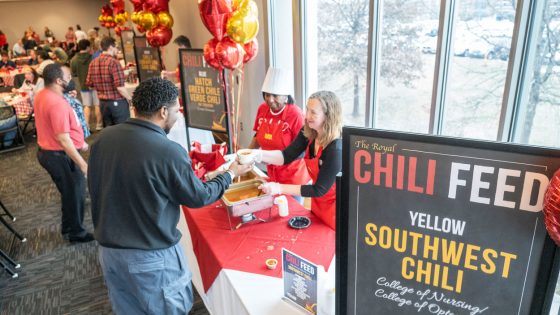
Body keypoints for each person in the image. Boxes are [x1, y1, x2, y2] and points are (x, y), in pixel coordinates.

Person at [88, 77, 252, 314]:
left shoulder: (102, 139)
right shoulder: (167, 151)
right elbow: (199, 197)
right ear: (164, 111)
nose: (177, 116)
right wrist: (230, 173)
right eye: (177, 109)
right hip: (150, 258)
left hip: (109, 254)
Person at [255, 91, 342, 230]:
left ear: (329, 116)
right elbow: (286, 156)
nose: (307, 116)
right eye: (307, 109)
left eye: (313, 112)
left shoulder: (336, 149)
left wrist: (278, 187)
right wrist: (257, 155)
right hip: (317, 202)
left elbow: (318, 189)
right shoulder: (309, 131)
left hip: (335, 206)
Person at [35, 63, 93, 243]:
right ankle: (76, 233)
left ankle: (68, 226)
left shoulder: (44, 94)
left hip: (50, 153)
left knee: (69, 193)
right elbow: (63, 139)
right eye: (68, 76)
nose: (71, 78)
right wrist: (82, 164)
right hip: (59, 155)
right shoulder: (56, 103)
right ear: (59, 80)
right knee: (76, 194)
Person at [248, 67, 310, 201]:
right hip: (272, 173)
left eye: (275, 95)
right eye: (267, 94)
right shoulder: (262, 109)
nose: (270, 99)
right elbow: (257, 135)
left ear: (286, 97)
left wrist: (269, 157)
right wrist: (246, 154)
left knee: (292, 211)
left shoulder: (296, 114)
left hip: (292, 177)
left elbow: (304, 149)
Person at [86, 36, 132, 127]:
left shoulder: (93, 62)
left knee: (109, 131)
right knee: (122, 130)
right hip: (117, 102)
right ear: (110, 47)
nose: (117, 50)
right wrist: (130, 99)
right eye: (116, 47)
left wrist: (102, 86)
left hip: (103, 103)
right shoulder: (114, 62)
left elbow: (89, 84)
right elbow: (120, 87)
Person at [71, 39, 102, 131]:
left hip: (83, 85)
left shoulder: (74, 60)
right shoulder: (93, 57)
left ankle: (87, 126)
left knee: (86, 106)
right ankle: (99, 125)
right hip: (95, 85)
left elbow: (74, 73)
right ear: (88, 47)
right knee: (97, 105)